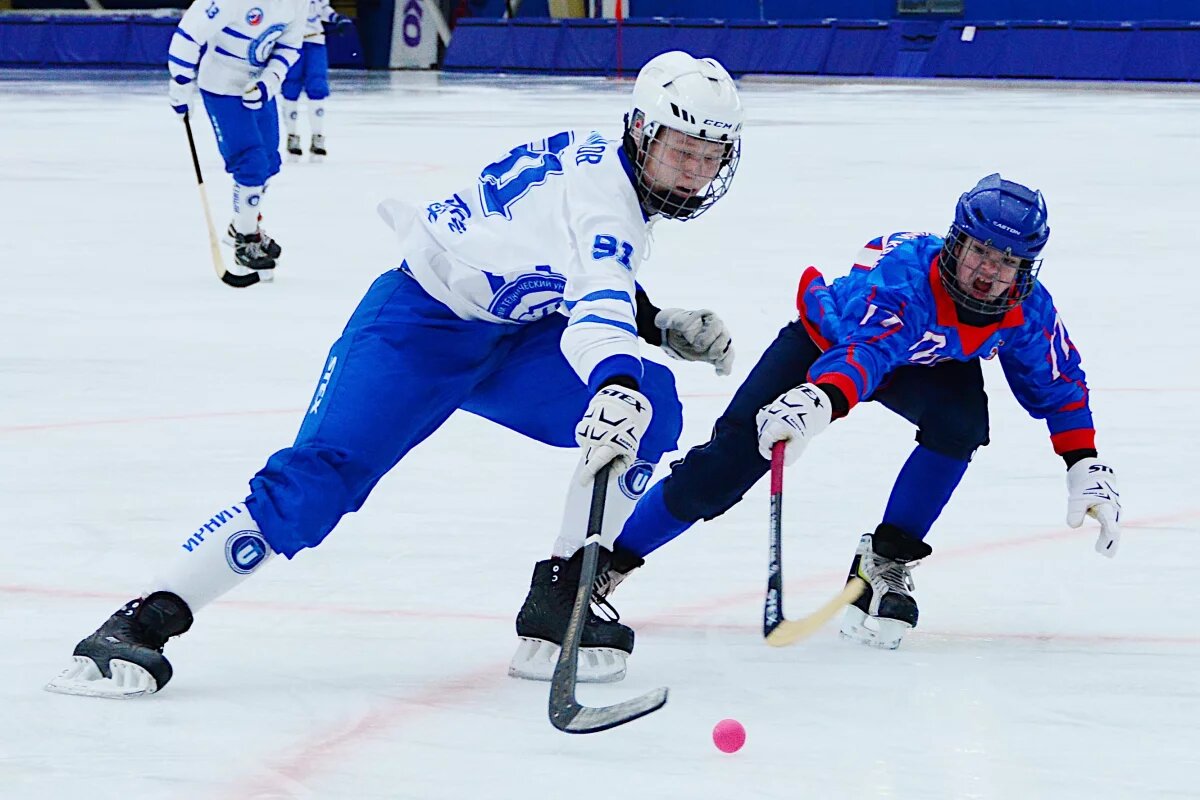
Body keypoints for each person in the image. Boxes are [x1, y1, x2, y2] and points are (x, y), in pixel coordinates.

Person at [45, 51, 743, 698]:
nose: (693, 172)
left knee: (656, 403)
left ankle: (560, 601)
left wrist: (653, 324)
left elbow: (555, 261)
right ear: (642, 131)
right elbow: (595, 297)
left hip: (509, 333)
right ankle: (141, 622)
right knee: (321, 481)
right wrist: (613, 378)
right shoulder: (609, 202)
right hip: (418, 327)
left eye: (709, 158)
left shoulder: (603, 169)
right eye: (682, 151)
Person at [606, 174, 1123, 651]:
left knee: (961, 421)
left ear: (1025, 268)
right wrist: (819, 399)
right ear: (957, 243)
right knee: (724, 467)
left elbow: (1057, 382)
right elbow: (866, 352)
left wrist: (1083, 461)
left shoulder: (1026, 308)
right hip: (829, 343)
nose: (989, 271)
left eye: (1007, 261)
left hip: (924, 360)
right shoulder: (906, 280)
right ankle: (607, 561)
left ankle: (886, 559)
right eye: (980, 252)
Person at [167, 0, 307, 277]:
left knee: (269, 163)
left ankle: (241, 225)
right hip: (222, 87)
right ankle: (246, 240)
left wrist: (270, 80)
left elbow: (290, 46)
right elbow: (188, 36)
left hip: (258, 88)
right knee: (251, 163)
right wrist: (181, 84)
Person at [281, 0, 354, 162]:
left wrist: (336, 18)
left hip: (315, 41)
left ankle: (317, 136)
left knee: (317, 86)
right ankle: (292, 136)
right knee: (290, 88)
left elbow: (320, 7)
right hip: (291, 41)